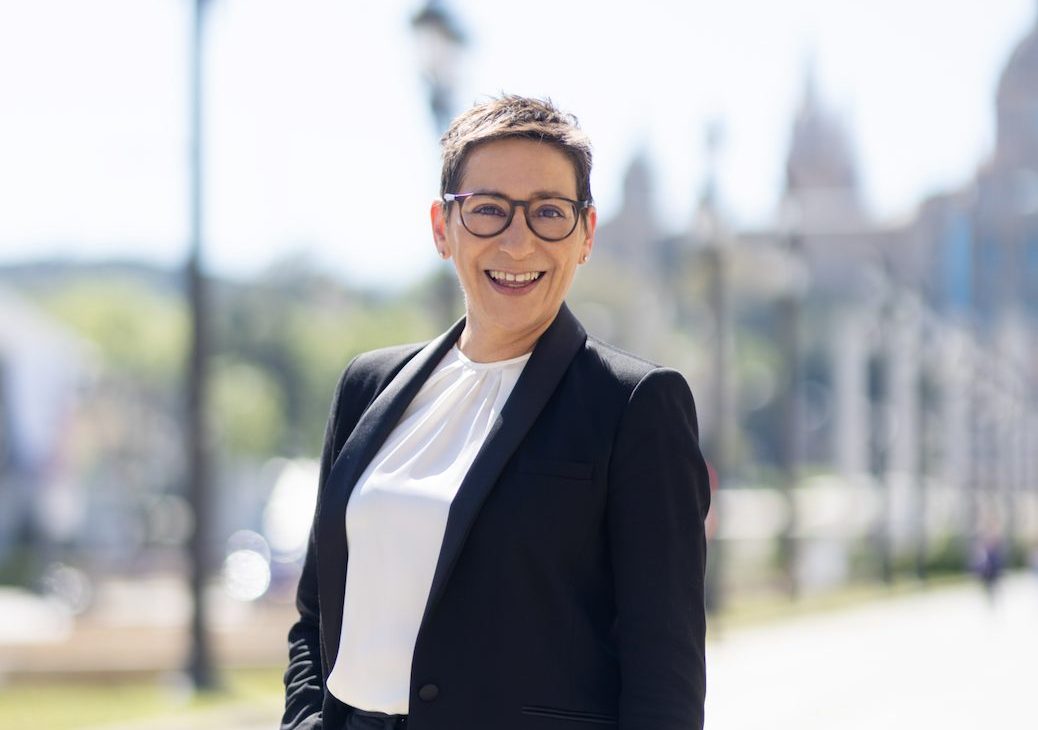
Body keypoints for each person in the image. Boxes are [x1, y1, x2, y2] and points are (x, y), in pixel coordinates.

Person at [281, 95, 711, 730]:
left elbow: (664, 676)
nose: (518, 241)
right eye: (487, 211)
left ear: (586, 233)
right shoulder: (367, 386)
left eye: (548, 213)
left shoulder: (636, 406)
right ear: (441, 227)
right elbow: (317, 615)